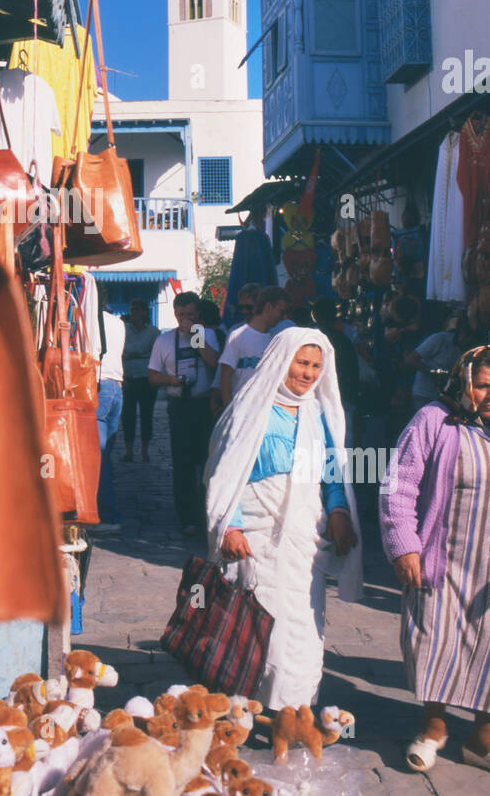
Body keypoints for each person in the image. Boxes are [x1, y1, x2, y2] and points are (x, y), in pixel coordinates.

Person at [380, 346, 490, 779]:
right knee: (435, 639)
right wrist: (404, 543)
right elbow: (398, 485)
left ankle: (484, 739)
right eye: (482, 386)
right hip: (445, 559)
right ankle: (433, 728)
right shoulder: (434, 421)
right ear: (465, 384)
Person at [204, 328, 363, 709]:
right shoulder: (250, 408)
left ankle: (295, 707)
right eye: (302, 363)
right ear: (281, 360)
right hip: (257, 531)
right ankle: (254, 703)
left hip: (304, 532)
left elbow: (332, 469)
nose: (308, 374)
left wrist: (339, 510)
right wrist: (231, 524)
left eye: (316, 367)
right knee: (262, 620)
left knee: (304, 623)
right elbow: (226, 473)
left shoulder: (317, 412)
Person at [147, 292, 220, 537]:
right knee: (183, 463)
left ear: (198, 315)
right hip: (179, 406)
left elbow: (214, 364)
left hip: (204, 406)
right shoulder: (164, 340)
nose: (185, 320)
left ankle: (205, 512)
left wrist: (196, 338)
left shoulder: (208, 335)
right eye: (181, 315)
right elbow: (153, 376)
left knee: (206, 462)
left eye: (190, 315)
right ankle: (186, 515)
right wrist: (171, 380)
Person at [211, 285, 291, 414]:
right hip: (239, 408)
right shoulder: (235, 334)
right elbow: (224, 372)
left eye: (249, 307)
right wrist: (226, 406)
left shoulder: (279, 334)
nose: (244, 311)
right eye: (241, 308)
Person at [91, 308, 127, 535]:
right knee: (104, 456)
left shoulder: (90, 318)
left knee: (99, 457)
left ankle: (107, 513)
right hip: (116, 385)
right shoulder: (118, 322)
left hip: (101, 383)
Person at [404, 309, 470, 414]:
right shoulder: (439, 339)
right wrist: (433, 372)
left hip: (449, 400)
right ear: (461, 332)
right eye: (467, 336)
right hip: (425, 395)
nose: (468, 341)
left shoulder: (470, 349)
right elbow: (410, 359)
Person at [120, 300, 159, 463]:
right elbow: (120, 352)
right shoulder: (123, 330)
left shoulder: (153, 332)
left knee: (146, 415)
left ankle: (145, 451)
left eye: (137, 309)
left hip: (146, 378)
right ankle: (128, 451)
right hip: (128, 377)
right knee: (127, 416)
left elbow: (155, 355)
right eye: (132, 309)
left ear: (144, 312)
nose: (134, 312)